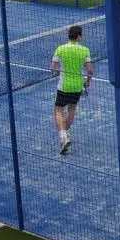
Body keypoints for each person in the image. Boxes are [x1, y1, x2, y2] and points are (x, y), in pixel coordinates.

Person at [50, 25, 94, 155]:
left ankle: (63, 136)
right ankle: (66, 135)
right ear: (79, 36)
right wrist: (87, 82)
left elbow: (53, 67)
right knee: (71, 110)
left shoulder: (60, 49)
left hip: (63, 86)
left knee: (58, 110)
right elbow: (90, 71)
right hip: (77, 86)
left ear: (69, 36)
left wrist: (57, 73)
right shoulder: (85, 50)